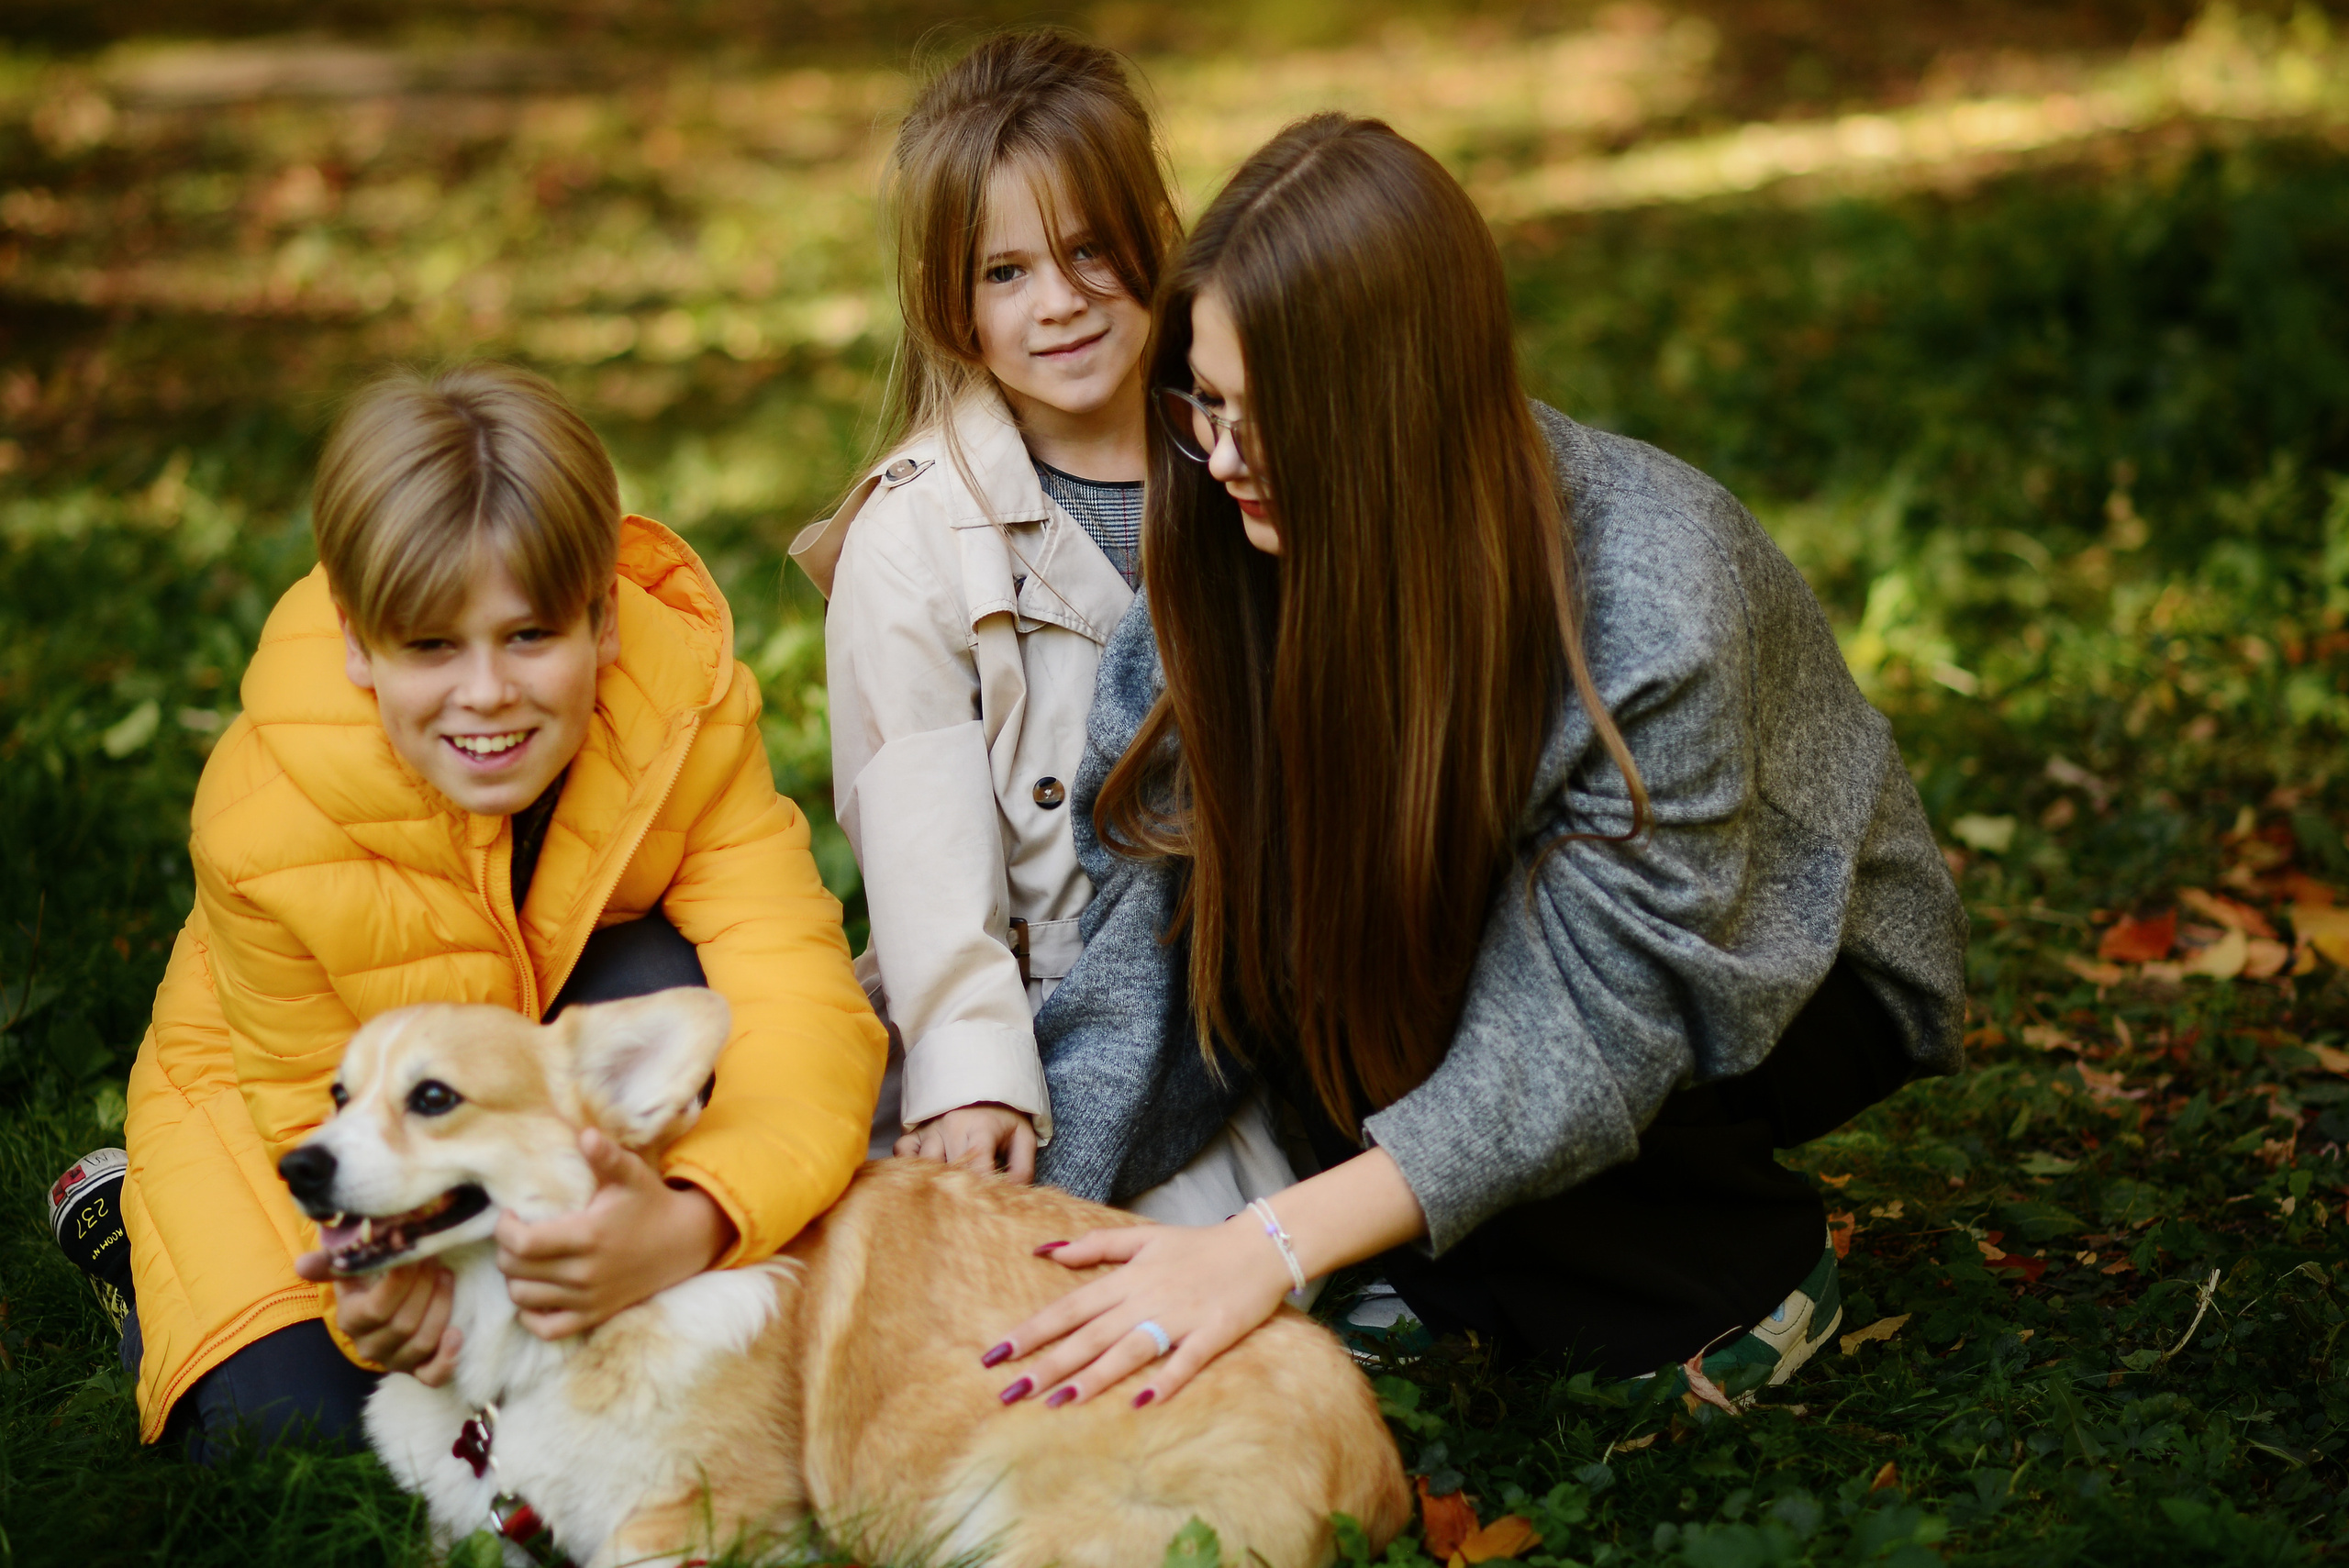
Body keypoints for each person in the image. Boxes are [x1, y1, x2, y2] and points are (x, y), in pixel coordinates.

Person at [986, 115, 1969, 1410]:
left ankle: (1739, 1277)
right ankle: (1456, 1259)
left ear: (1396, 408)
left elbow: (1601, 1017)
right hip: (1452, 937)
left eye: (1266, 420)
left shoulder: (1648, 593)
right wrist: (1023, 1216)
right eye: (1204, 401)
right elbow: (1165, 922)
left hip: (1766, 973)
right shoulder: (1230, 537)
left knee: (1499, 1053)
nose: (1220, 459)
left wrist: (1258, 1252)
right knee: (1280, 885)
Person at [60, 362, 885, 1461]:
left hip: (546, 1043)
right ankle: (130, 1238)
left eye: (529, 636)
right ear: (359, 642)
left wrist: (694, 1216)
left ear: (601, 623)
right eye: (432, 646)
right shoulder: (264, 816)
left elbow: (799, 998)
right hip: (315, 1092)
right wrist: (377, 1267)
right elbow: (300, 1091)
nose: (487, 691)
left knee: (670, 990)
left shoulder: (681, 714)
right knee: (295, 1425)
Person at [790, 30, 1298, 1224]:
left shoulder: (1238, 450)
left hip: (1253, 965)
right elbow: (919, 840)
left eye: (1087, 251)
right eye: (1004, 272)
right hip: (1038, 1001)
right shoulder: (914, 536)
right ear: (948, 302)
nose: (1059, 302)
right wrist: (972, 1074)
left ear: (1154, 231)